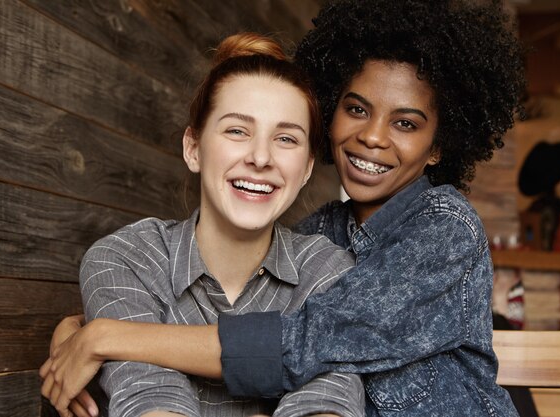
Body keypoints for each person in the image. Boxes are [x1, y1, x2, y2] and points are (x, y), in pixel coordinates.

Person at [43, 0, 527, 415]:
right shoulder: (323, 238)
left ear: (440, 146)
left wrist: (104, 337)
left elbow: (304, 342)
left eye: (406, 124)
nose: (373, 136)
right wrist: (84, 326)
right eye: (356, 109)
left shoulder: (445, 230)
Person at [40, 32, 365, 417]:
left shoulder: (327, 273)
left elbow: (325, 405)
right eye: (237, 131)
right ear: (193, 148)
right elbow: (152, 403)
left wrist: (102, 335)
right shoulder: (124, 260)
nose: (261, 157)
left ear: (308, 168)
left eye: (286, 138)